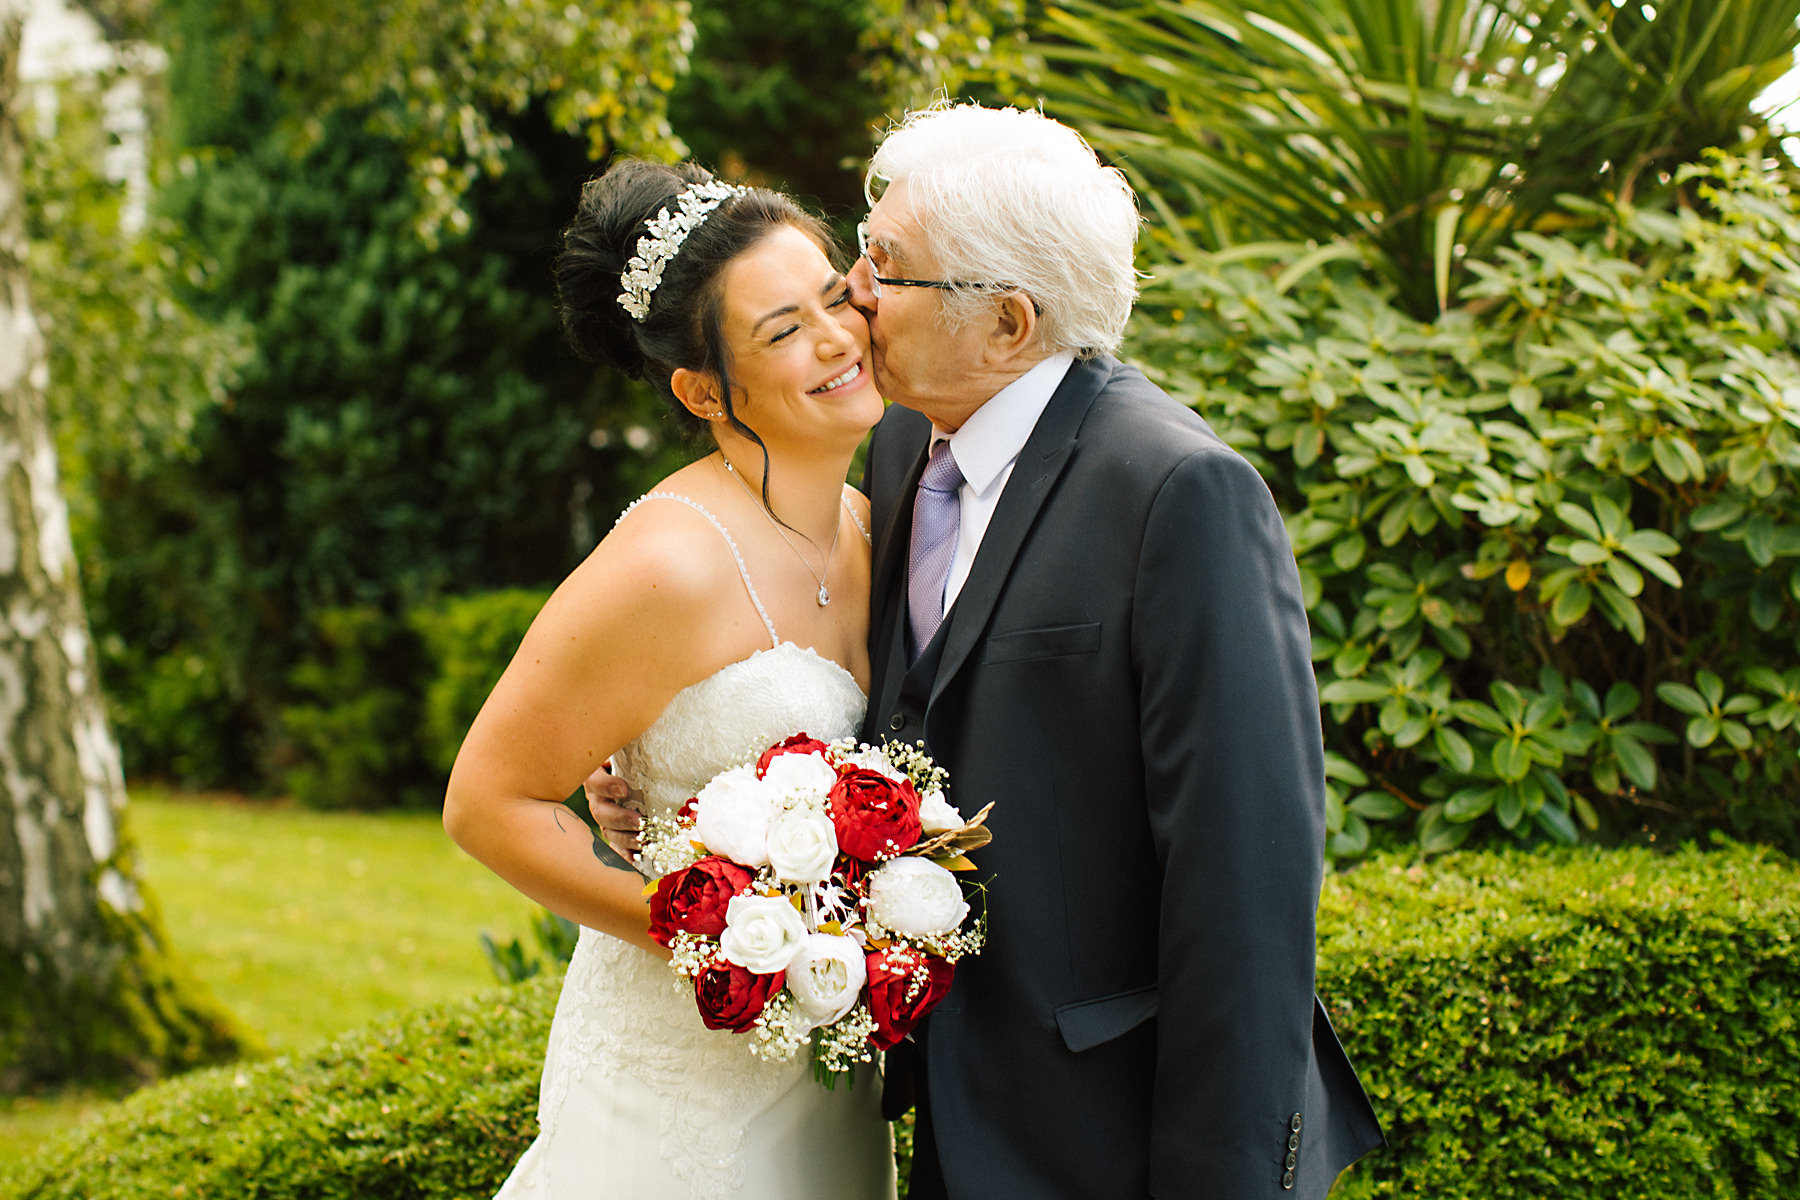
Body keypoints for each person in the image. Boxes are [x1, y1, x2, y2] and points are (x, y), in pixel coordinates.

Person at [845, 104, 1384, 1198]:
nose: (852, 288)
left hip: (1108, 1136)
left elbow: (1245, 885)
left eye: (888, 268)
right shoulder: (903, 442)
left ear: (1007, 321)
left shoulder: (1180, 493)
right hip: (939, 1106)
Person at [442, 159, 896, 1199]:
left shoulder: (884, 525)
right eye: (783, 331)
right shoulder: (668, 564)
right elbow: (487, 802)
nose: (836, 339)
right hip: (675, 1074)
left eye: (836, 298)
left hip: (827, 1069)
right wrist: (717, 931)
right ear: (701, 389)